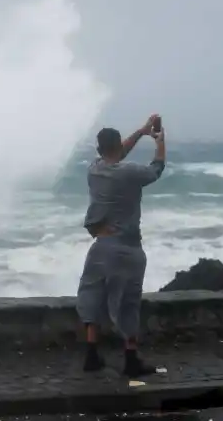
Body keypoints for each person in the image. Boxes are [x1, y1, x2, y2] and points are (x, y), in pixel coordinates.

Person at [77, 114, 166, 377]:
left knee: (92, 295)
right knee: (127, 302)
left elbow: (117, 153)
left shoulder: (94, 169)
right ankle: (130, 359)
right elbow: (156, 168)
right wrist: (159, 140)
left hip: (100, 246)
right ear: (117, 146)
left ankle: (92, 354)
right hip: (126, 248)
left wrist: (140, 131)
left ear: (98, 149)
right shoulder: (130, 173)